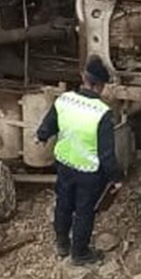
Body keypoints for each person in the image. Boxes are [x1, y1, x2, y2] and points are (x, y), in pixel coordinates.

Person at [35, 55, 123, 266]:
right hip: (88, 172)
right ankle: (80, 252)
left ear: (84, 78)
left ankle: (62, 243)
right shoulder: (102, 113)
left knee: (63, 204)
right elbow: (107, 154)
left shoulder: (64, 100)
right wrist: (116, 177)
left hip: (65, 164)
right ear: (100, 86)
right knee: (84, 211)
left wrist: (41, 136)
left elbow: (49, 124)